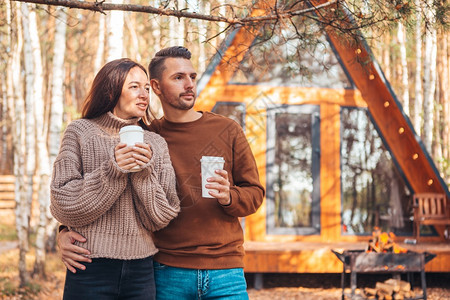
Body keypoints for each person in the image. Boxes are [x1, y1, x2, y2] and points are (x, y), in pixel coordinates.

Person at [58, 47, 265, 299]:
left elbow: (254, 193)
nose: (189, 84)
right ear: (158, 86)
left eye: (192, 76)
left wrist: (229, 197)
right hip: (166, 269)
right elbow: (72, 196)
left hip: (224, 268)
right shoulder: (147, 135)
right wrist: (63, 231)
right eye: (178, 77)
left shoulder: (223, 130)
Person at [50, 58, 180, 300]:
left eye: (147, 89)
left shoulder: (156, 144)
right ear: (111, 90)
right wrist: (114, 170)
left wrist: (142, 173)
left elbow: (161, 218)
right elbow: (63, 204)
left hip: (142, 270)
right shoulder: (80, 132)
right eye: (134, 86)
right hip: (89, 265)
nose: (144, 95)